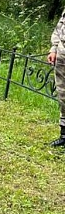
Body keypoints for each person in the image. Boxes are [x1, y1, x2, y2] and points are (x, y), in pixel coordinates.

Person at [47, 8, 65, 147]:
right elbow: (60, 27)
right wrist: (54, 49)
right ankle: (64, 135)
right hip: (62, 54)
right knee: (63, 94)